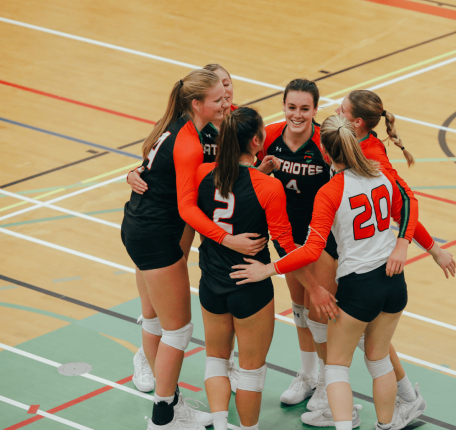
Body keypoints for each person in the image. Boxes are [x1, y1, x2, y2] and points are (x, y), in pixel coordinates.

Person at [230, 115, 419, 430]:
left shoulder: (331, 191)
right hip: (394, 282)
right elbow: (410, 205)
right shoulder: (382, 175)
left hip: (360, 286)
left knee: (336, 368)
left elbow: (310, 251)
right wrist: (405, 244)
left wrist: (269, 269)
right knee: (379, 360)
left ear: (326, 153)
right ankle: (387, 425)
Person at [121, 69, 265, 430]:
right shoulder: (187, 141)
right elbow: (187, 208)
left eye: (226, 94)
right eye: (218, 99)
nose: (225, 102)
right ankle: (164, 417)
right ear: (197, 103)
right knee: (177, 330)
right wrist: (227, 238)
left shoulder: (184, 127)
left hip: (146, 228)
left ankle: (171, 405)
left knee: (171, 324)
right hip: (154, 234)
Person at [189, 107, 334, 430]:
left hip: (211, 284)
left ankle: (220, 424)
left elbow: (192, 209)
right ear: (257, 142)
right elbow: (286, 247)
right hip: (251, 288)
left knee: (216, 360)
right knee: (251, 371)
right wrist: (314, 287)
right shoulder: (268, 187)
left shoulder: (200, 174)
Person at [255, 79, 339, 407]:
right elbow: (246, 172)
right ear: (284, 106)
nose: (298, 114)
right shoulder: (269, 136)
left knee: (320, 313)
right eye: (292, 107)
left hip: (321, 237)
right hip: (286, 235)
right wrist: (262, 170)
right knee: (301, 310)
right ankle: (309, 376)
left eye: (305, 108)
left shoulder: (324, 142)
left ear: (316, 110)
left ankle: (328, 384)